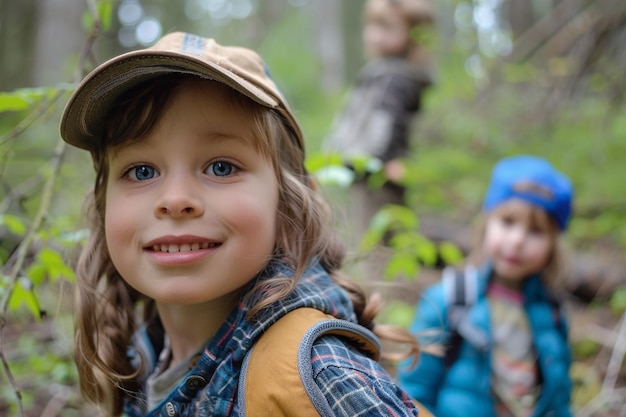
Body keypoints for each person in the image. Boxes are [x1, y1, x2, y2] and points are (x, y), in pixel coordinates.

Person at [60, 32, 423, 417]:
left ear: (289, 205)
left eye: (221, 167)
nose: (175, 199)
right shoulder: (140, 355)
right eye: (142, 170)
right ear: (103, 207)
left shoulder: (317, 380)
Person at [397, 155, 574, 417]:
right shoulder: (450, 299)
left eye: (536, 231)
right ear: (487, 223)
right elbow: (414, 391)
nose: (517, 240)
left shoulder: (552, 312)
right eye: (508, 222)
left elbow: (559, 397)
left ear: (553, 246)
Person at [324, 0, 435, 249]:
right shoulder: (379, 73)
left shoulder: (395, 78)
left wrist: (384, 158)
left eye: (387, 28)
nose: (375, 35)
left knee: (381, 241)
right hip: (365, 168)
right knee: (370, 232)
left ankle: (388, 287)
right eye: (373, 26)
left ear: (413, 35)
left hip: (379, 170)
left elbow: (388, 119)